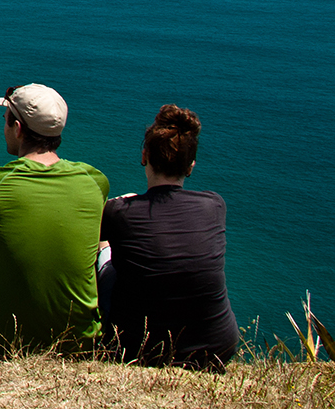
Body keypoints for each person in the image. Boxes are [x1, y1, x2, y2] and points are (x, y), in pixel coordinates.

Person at [0, 83, 109, 356]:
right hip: (79, 340)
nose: (3, 127)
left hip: (8, 338)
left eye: (5, 121)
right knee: (101, 235)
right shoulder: (95, 180)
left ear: (17, 129)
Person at [99, 105, 239, 370]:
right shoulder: (214, 205)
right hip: (217, 347)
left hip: (140, 348)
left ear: (145, 155)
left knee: (104, 250)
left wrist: (121, 205)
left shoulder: (119, 212)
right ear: (191, 166)